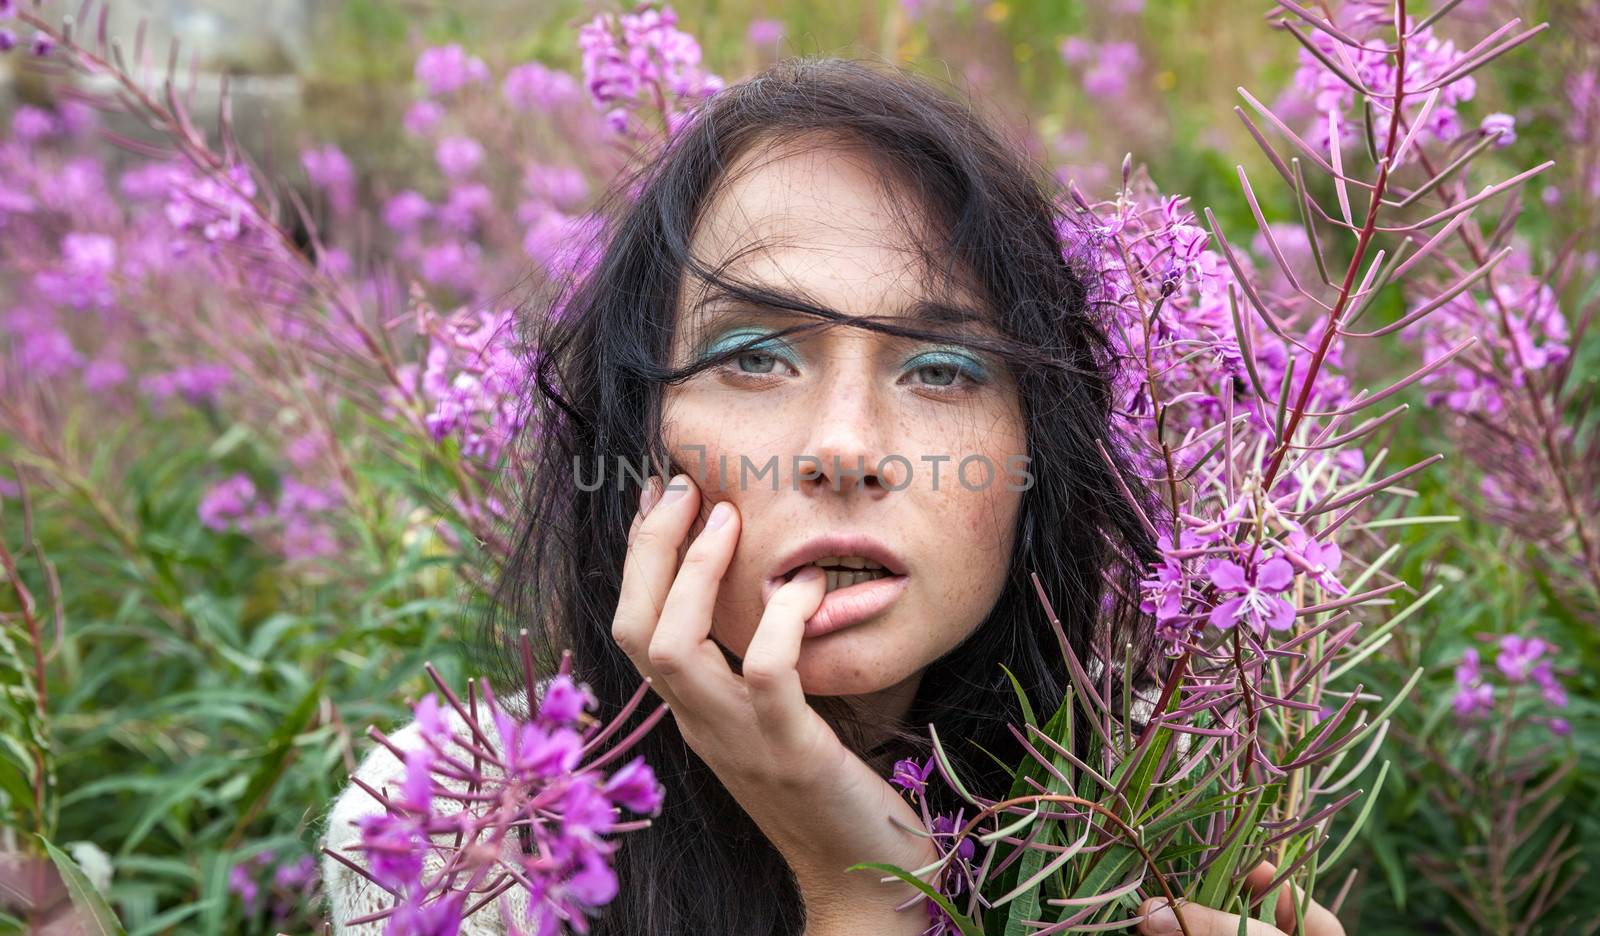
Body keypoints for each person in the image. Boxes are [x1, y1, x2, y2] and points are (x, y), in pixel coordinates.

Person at [320, 56, 1345, 936]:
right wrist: (865, 900)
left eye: (942, 368)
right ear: (638, 439)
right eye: (754, 355)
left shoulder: (1155, 816)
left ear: (1042, 453)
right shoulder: (462, 824)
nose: (846, 448)